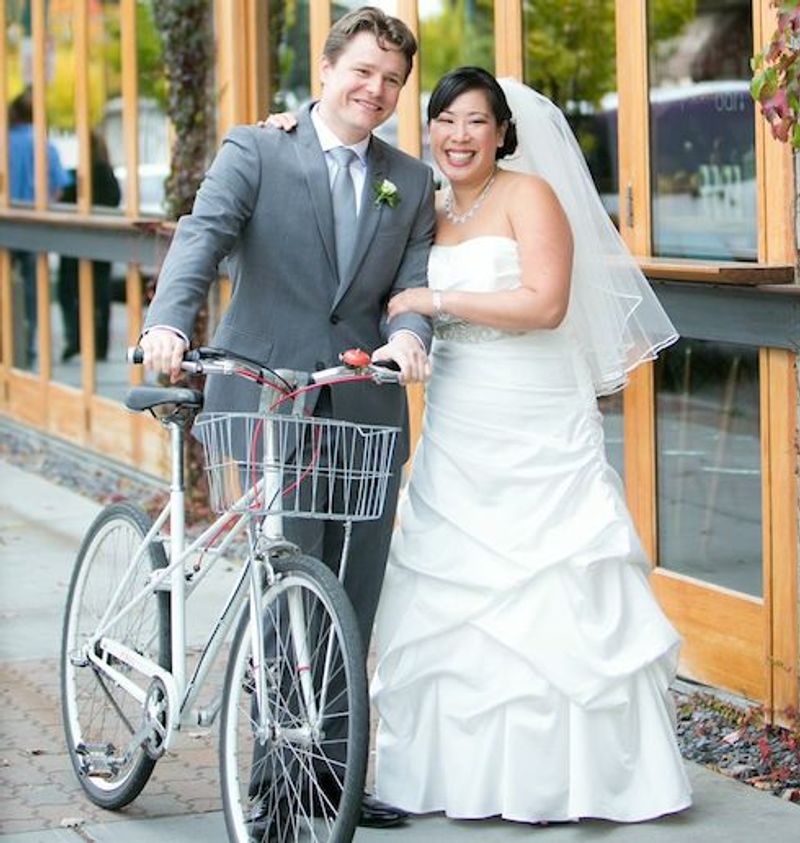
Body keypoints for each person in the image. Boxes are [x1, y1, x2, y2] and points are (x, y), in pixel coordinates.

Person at [263, 67, 691, 822]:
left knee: (550, 581)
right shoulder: (419, 206)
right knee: (450, 586)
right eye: (445, 120)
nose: (459, 136)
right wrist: (285, 134)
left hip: (535, 416)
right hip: (458, 421)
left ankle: (570, 779)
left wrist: (437, 298)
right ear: (428, 129)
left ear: (502, 132)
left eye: (476, 122)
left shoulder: (531, 197)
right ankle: (449, 774)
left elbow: (547, 304)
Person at [139, 7, 435, 832]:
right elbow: (204, 235)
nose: (375, 90)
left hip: (365, 409)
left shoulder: (407, 180)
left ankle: (333, 772)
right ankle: (278, 776)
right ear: (328, 66)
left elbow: (409, 286)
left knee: (356, 593)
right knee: (290, 582)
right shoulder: (257, 147)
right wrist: (170, 321)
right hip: (270, 399)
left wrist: (408, 338)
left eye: (391, 81)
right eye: (364, 71)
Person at [7, 88, 70, 367]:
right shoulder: (44, 145)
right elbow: (59, 186)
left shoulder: (4, 142)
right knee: (32, 294)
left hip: (4, 229)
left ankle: (7, 349)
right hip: (33, 229)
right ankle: (28, 347)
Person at [58, 131, 122, 362]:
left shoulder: (86, 175)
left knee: (70, 292)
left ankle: (77, 339)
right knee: (99, 296)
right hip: (101, 245)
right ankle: (98, 345)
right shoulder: (105, 172)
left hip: (79, 244)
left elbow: (66, 200)